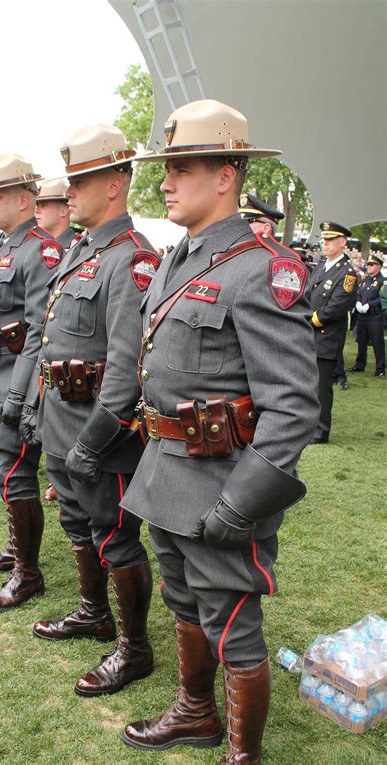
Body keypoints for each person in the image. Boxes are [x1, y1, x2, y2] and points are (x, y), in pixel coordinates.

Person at [116, 99, 319, 763]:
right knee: (183, 601)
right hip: (167, 471)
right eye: (165, 169)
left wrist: (241, 506)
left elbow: (292, 407)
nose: (165, 182)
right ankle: (196, 710)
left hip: (221, 485)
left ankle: (242, 755)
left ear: (225, 175)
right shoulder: (180, 259)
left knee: (234, 628)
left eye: (181, 167)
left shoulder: (264, 266)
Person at [20, 124, 161, 697]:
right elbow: (54, 336)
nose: (68, 191)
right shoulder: (83, 249)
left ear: (117, 183)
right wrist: (36, 407)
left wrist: (92, 442)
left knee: (116, 537)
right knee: (78, 525)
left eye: (81, 180)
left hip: (102, 434)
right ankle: (92, 612)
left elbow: (128, 368)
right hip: (61, 418)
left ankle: (133, 649)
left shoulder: (131, 258)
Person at [0, 153, 62, 611]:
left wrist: (21, 395)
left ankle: (28, 574)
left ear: (25, 200)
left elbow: (40, 329)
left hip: (13, 382)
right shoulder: (1, 245)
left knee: (18, 476)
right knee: (6, 475)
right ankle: (16, 551)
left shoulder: (38, 249)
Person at [35, 178, 80, 503]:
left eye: (44, 204)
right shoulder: (76, 251)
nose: (38, 211)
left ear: (64, 210)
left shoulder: (65, 248)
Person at [305, 221, 357, 443]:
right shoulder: (321, 265)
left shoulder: (347, 274)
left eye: (329, 240)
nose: (324, 243)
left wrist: (308, 321)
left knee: (321, 388)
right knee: (307, 386)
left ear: (342, 242)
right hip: (309, 335)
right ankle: (308, 427)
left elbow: (336, 308)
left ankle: (321, 431)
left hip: (325, 337)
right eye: (323, 239)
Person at [347, 253, 385, 376]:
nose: (368, 266)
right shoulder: (365, 280)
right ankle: (359, 364)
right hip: (363, 316)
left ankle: (380, 368)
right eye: (368, 264)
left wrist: (370, 304)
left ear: (379, 266)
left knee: (377, 342)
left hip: (375, 316)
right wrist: (358, 302)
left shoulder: (382, 281)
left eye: (372, 264)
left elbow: (383, 298)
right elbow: (358, 293)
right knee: (361, 341)